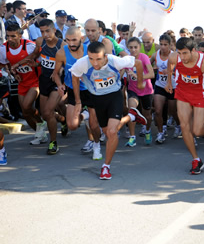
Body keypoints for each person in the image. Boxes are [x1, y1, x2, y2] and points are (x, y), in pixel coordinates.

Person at [70, 41, 147, 180]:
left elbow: (139, 63)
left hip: (114, 97)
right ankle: (131, 116)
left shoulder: (115, 61)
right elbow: (74, 76)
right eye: (91, 58)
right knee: (106, 131)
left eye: (98, 59)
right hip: (97, 99)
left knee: (112, 132)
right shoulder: (82, 63)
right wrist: (77, 101)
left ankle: (106, 167)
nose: (95, 63)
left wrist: (140, 82)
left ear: (105, 56)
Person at [165, 37, 204, 175]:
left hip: (200, 94)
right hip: (182, 93)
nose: (182, 57)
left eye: (185, 53)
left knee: (198, 131)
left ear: (194, 51)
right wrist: (169, 82)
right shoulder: (175, 56)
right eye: (180, 53)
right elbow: (170, 63)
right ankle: (196, 159)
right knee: (185, 126)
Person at [52, 26, 103, 159]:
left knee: (94, 124)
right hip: (73, 90)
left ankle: (96, 145)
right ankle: (85, 115)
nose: (71, 44)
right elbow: (55, 73)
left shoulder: (90, 50)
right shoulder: (61, 53)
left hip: (91, 89)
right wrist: (59, 85)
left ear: (81, 38)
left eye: (74, 40)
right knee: (72, 125)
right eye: (68, 40)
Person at [22, 19, 66, 154]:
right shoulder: (40, 41)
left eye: (47, 31)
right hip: (44, 80)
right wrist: (34, 63)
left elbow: (68, 66)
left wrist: (61, 73)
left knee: (47, 112)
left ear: (54, 30)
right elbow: (36, 55)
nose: (45, 34)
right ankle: (63, 120)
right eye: (42, 31)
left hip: (57, 82)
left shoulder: (62, 45)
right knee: (45, 114)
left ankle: (53, 143)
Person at [0, 23, 46, 143]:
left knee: (26, 106)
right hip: (22, 82)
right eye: (8, 36)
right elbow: (4, 63)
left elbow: (43, 59)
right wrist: (12, 71)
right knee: (25, 112)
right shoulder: (4, 49)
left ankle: (41, 123)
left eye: (13, 36)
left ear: (20, 35)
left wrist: (35, 64)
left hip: (35, 80)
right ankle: (39, 132)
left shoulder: (30, 46)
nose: (10, 39)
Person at [151, 34, 180, 143]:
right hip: (160, 85)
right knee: (158, 111)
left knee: (172, 110)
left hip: (173, 86)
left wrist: (170, 72)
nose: (163, 47)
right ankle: (160, 132)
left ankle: (178, 125)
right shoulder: (155, 55)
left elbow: (181, 70)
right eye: (161, 44)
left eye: (165, 45)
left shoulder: (175, 56)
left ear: (170, 45)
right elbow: (147, 65)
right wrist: (153, 68)